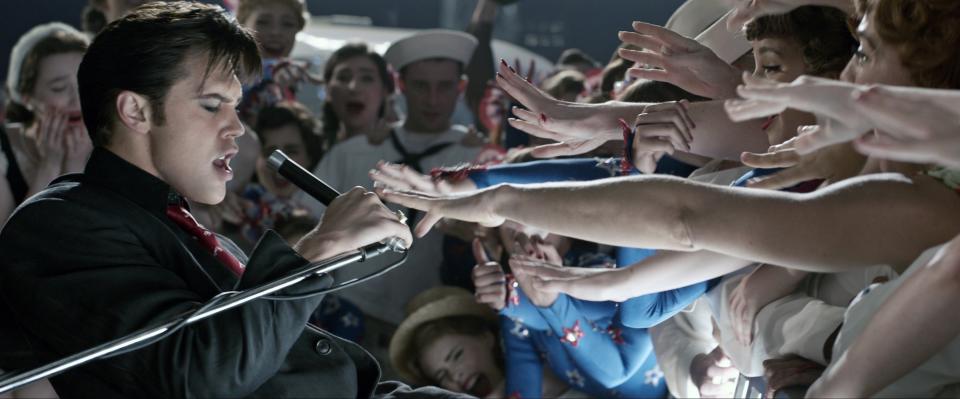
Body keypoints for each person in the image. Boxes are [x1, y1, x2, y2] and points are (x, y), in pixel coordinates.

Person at [0, 4, 474, 399]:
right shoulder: (60, 224)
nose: (237, 128)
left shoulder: (183, 228)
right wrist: (320, 247)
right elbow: (200, 374)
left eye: (237, 106)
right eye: (211, 105)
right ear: (136, 110)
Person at [296, 30, 484, 359]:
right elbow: (302, 221)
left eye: (445, 86)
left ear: (461, 88)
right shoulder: (354, 152)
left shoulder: (479, 158)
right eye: (421, 86)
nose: (433, 99)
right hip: (347, 315)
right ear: (400, 85)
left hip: (430, 323)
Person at [390, 286, 576, 398]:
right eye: (441, 375)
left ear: (486, 337)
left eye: (456, 355)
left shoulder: (550, 372)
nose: (455, 376)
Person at [2, 22, 92, 207]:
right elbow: (17, 236)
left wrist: (76, 166)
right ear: (27, 98)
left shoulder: (113, 141)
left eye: (84, 83)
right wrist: (49, 165)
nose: (77, 98)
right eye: (59, 88)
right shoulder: (3, 151)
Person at [319, 42, 395, 149]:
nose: (354, 87)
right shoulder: (310, 150)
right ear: (327, 89)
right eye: (343, 77)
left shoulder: (405, 149)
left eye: (367, 78)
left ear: (385, 91)